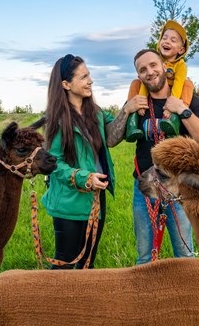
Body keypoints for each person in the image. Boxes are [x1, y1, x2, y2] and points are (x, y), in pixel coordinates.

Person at [41, 54, 141, 269]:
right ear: (66, 84)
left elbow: (113, 137)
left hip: (96, 198)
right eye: (83, 77)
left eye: (89, 75)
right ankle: (51, 301)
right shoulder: (56, 119)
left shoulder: (94, 112)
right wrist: (84, 178)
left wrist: (127, 109)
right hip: (68, 202)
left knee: (87, 263)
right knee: (65, 263)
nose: (90, 81)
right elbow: (53, 163)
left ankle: (82, 302)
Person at [126, 48, 199, 265]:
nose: (149, 72)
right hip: (145, 188)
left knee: (185, 256)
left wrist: (182, 109)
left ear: (164, 67)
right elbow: (112, 139)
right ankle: (145, 298)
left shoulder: (187, 99)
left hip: (179, 189)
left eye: (153, 65)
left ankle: (186, 298)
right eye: (142, 69)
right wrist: (126, 110)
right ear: (139, 76)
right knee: (145, 257)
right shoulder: (137, 103)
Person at [125, 20, 194, 142]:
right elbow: (147, 81)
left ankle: (174, 120)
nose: (167, 41)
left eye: (173, 40)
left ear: (181, 50)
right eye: (164, 38)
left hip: (174, 94)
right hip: (153, 92)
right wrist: (141, 100)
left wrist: (171, 106)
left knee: (188, 84)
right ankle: (132, 123)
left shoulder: (180, 65)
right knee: (136, 83)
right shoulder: (153, 60)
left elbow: (178, 85)